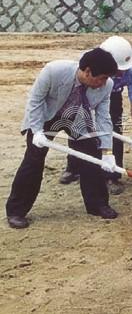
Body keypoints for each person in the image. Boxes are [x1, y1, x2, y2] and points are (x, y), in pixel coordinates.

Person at [6, 48, 119, 228]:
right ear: (88, 71)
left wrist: (107, 151)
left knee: (92, 153)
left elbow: (103, 117)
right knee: (34, 159)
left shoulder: (107, 85)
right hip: (45, 117)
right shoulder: (54, 71)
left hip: (77, 117)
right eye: (102, 78)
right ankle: (16, 211)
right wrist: (36, 131)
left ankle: (97, 204)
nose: (104, 82)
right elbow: (35, 100)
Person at [59, 36, 132, 197]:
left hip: (113, 97)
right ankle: (73, 167)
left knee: (115, 131)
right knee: (78, 128)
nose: (121, 72)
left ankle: (112, 176)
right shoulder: (91, 64)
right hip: (87, 94)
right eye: (118, 69)